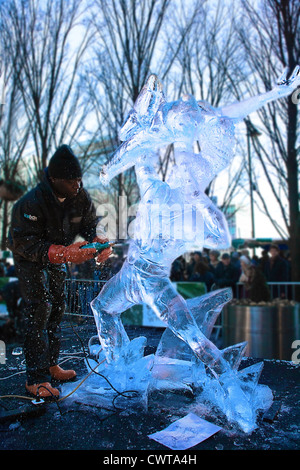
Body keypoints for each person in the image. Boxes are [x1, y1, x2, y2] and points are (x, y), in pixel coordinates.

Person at [8, 145, 112, 399]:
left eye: (79, 179)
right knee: (39, 308)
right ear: (54, 179)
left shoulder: (80, 196)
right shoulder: (30, 202)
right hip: (30, 259)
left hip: (58, 257)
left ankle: (51, 363)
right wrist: (62, 253)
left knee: (57, 307)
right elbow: (22, 241)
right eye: (70, 180)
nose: (77, 184)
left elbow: (89, 223)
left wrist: (98, 239)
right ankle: (35, 377)